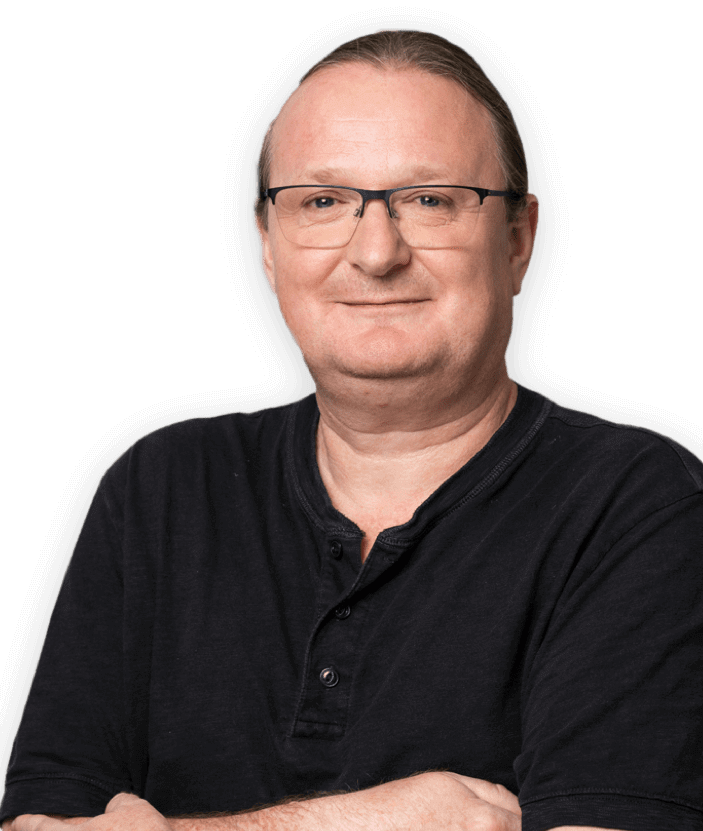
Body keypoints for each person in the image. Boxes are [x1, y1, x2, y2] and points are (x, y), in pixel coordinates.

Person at [2, 29, 701, 831]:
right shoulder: (160, 487)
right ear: (267, 246)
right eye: (323, 202)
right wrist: (358, 821)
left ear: (517, 241)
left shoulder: (641, 502)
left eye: (429, 198)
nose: (375, 252)